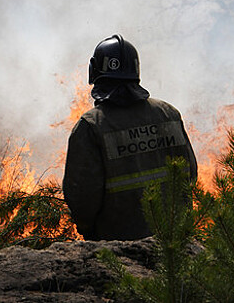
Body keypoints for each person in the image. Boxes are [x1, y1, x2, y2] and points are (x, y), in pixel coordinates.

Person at [62, 34, 197, 241]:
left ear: (94, 72)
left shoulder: (91, 126)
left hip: (119, 251)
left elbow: (82, 197)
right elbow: (191, 174)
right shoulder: (168, 114)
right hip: (176, 246)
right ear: (136, 72)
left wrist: (88, 229)